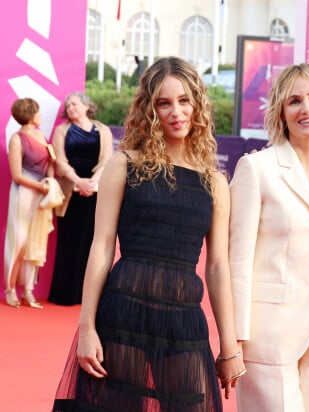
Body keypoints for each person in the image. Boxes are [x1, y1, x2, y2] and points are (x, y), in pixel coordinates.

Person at [52, 56, 245, 411]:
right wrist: (87, 328)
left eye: (184, 100)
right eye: (164, 103)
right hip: (122, 312)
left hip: (184, 320)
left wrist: (229, 347)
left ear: (198, 104)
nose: (176, 112)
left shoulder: (215, 182)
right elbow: (102, 247)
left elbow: (218, 267)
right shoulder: (124, 164)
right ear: (149, 109)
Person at [229, 63, 309, 412]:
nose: (307, 108)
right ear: (281, 112)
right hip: (269, 333)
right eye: (294, 100)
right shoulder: (256, 168)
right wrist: (234, 339)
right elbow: (238, 260)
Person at [48, 92, 113, 305]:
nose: (71, 108)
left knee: (91, 242)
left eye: (74, 104)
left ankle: (90, 296)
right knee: (68, 242)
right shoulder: (62, 131)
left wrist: (92, 182)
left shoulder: (103, 130)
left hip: (95, 193)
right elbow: (60, 162)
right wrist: (79, 182)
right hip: (70, 193)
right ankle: (65, 294)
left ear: (87, 106)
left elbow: (106, 160)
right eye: (68, 106)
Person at [4, 98, 55, 309]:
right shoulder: (17, 139)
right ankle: (9, 289)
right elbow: (17, 175)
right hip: (24, 193)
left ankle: (28, 290)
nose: (41, 115)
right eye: (38, 111)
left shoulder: (40, 135)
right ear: (31, 114)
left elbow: (50, 162)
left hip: (42, 194)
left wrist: (49, 182)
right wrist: (41, 187)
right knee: (18, 243)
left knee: (36, 242)